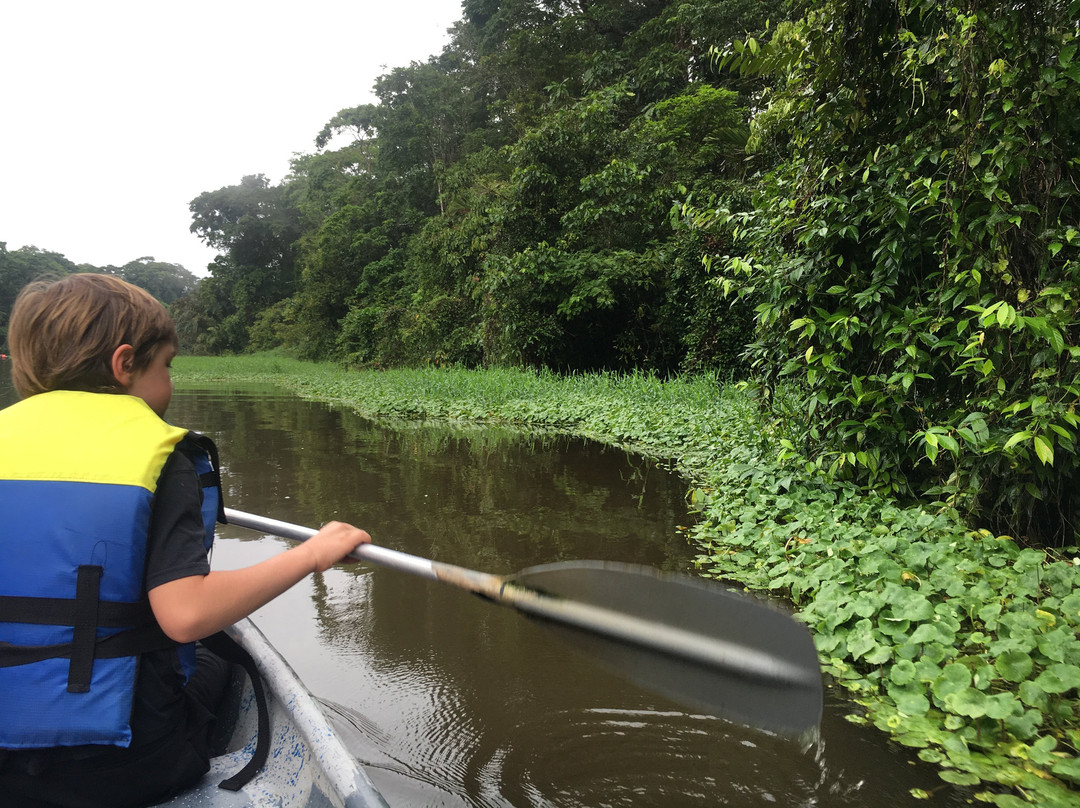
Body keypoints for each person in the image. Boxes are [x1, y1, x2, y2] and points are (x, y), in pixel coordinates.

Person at [0, 274, 371, 807]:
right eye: (167, 365)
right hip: (119, 768)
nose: (169, 382)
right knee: (218, 655)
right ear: (124, 364)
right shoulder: (157, 456)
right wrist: (312, 553)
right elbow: (186, 614)